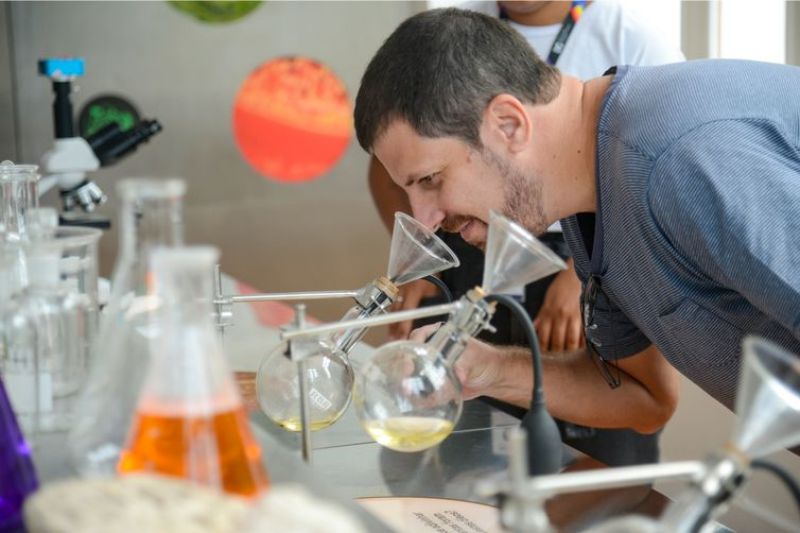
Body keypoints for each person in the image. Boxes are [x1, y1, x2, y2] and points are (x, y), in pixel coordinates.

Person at [354, 9, 800, 437]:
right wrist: (488, 369)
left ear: (508, 125)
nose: (425, 222)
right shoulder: (589, 198)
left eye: (431, 179)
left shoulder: (673, 163)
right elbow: (646, 397)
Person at [367, 1, 683, 466]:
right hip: (471, 257)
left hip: (581, 253)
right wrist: (422, 252)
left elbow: (636, 171)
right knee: (464, 447)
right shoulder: (452, 32)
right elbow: (388, 165)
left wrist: (581, 272)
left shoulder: (632, 39)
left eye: (432, 181)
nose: (425, 208)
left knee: (587, 458)